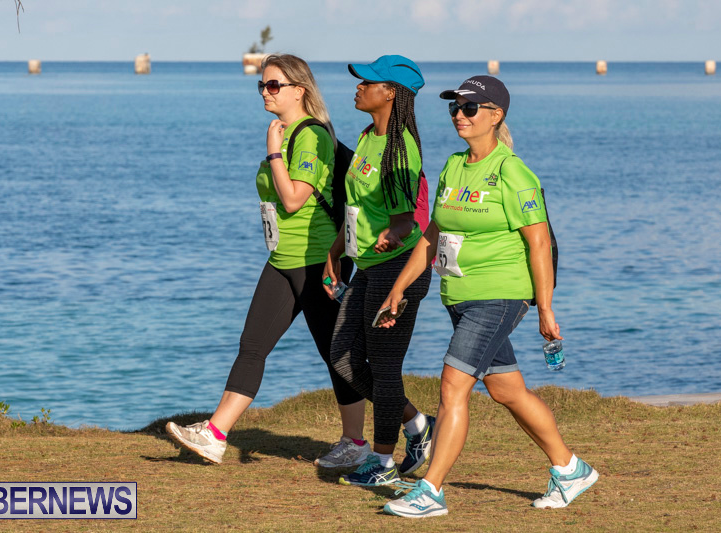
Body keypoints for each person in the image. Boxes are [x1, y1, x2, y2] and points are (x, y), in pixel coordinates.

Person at [379, 76, 599, 517]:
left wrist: (545, 307)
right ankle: (571, 469)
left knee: (452, 388)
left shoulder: (513, 172)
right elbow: (432, 234)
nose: (459, 115)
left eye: (469, 108)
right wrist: (398, 288)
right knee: (506, 390)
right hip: (459, 296)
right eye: (454, 108)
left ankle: (430, 491)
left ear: (496, 115)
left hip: (500, 296)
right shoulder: (454, 166)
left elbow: (539, 243)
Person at [166, 54, 370, 469]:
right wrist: (276, 148)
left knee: (338, 355)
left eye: (274, 85)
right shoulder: (286, 132)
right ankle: (216, 435)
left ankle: (372, 436)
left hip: (317, 261)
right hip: (282, 259)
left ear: (299, 90)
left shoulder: (311, 136)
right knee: (253, 346)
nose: (265, 92)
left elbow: (293, 199)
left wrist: (274, 153)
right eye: (262, 85)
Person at [323, 55, 435, 487]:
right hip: (368, 265)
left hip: (399, 269)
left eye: (367, 82)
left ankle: (383, 464)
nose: (358, 87)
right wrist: (336, 252)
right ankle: (417, 423)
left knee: (384, 369)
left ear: (390, 92)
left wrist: (393, 234)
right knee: (342, 357)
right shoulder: (368, 136)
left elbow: (406, 220)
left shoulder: (400, 147)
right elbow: (357, 207)